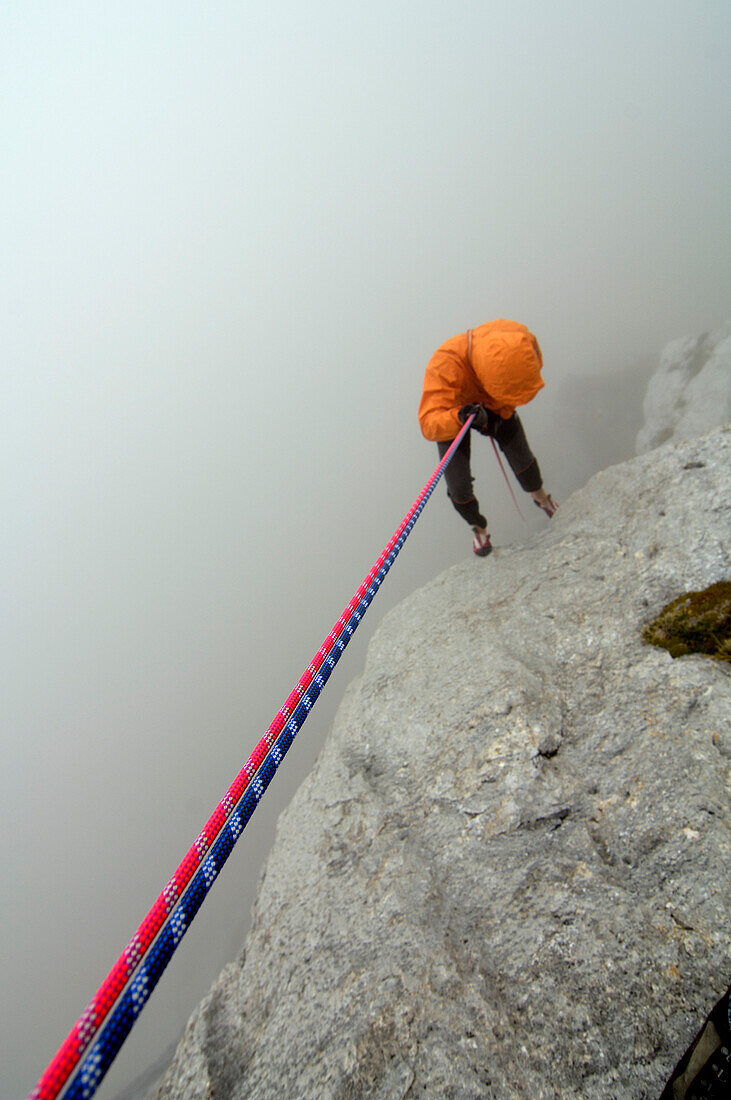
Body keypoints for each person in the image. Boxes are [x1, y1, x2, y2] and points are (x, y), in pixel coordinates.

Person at [418, 319, 557, 556]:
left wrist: (499, 408)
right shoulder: (445, 365)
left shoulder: (511, 339)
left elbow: (526, 367)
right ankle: (479, 528)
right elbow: (430, 422)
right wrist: (459, 417)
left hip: (492, 401)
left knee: (521, 455)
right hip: (453, 413)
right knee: (458, 485)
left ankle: (542, 499)